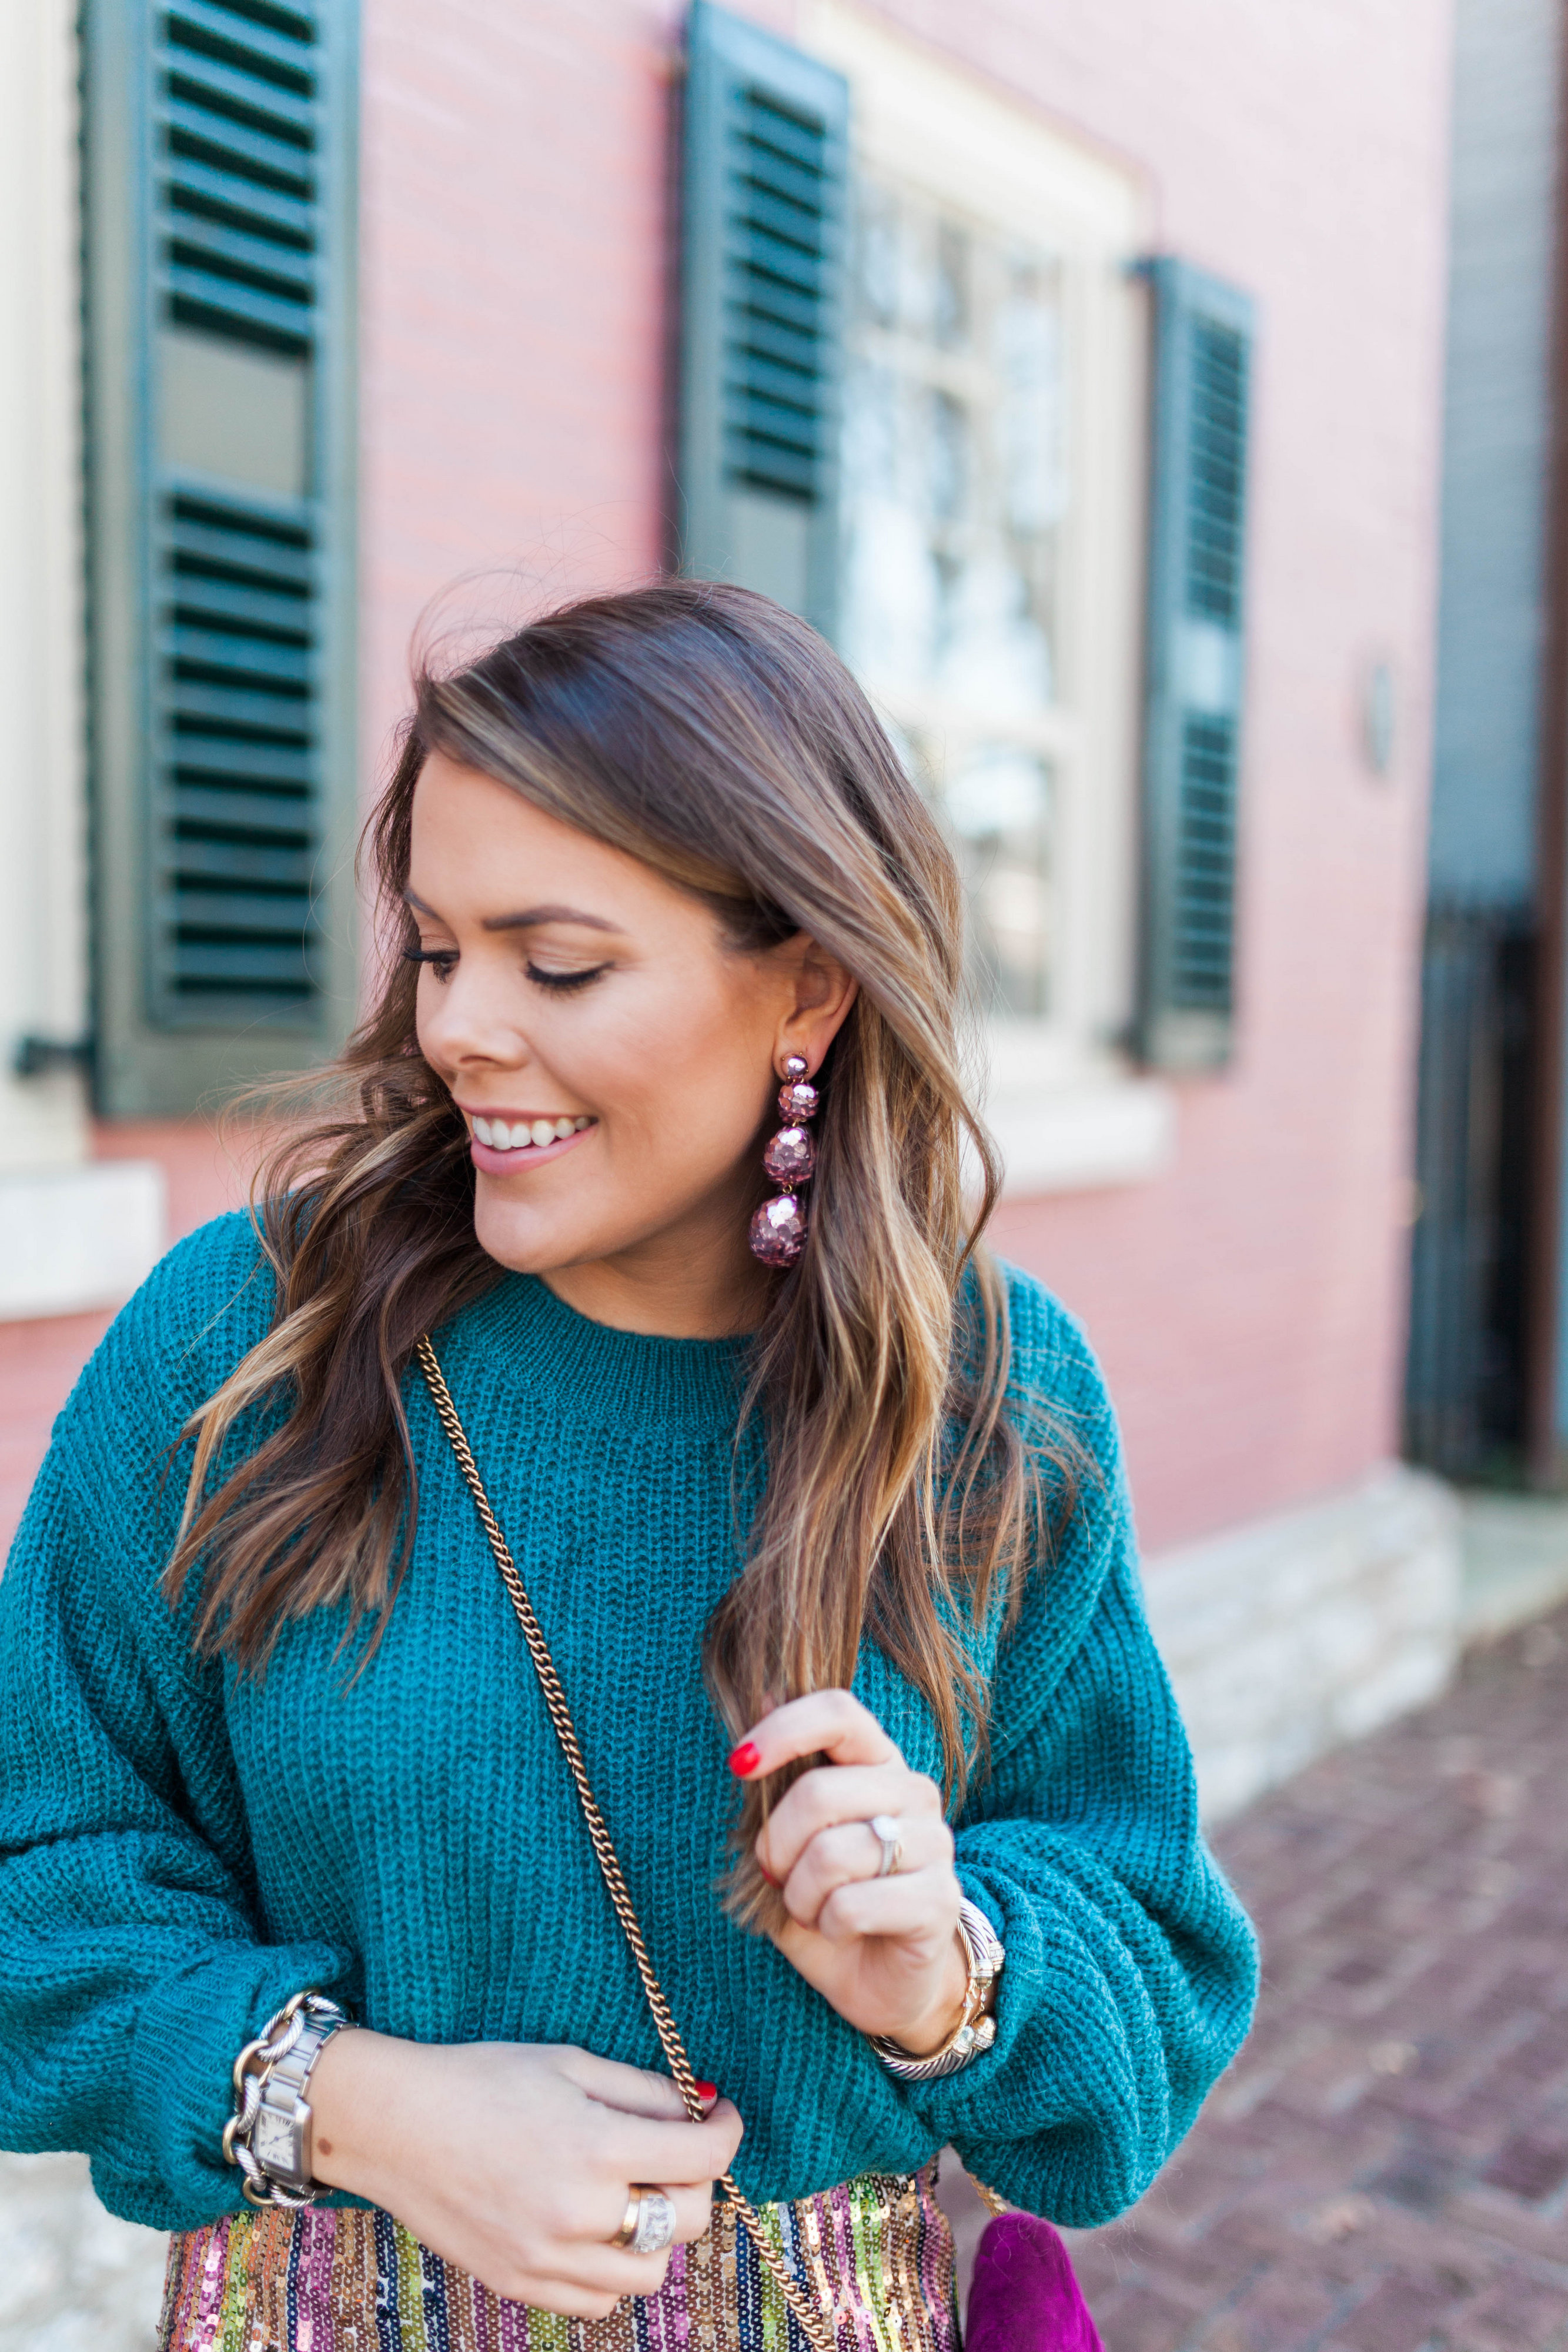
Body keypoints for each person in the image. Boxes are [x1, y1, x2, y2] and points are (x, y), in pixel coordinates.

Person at [0, 582, 1256, 2349]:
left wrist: (950, 1971)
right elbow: (32, 1886)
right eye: (438, 949)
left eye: (557, 962)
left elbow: (1140, 2006)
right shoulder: (243, 1347)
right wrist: (358, 2105)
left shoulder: (986, 1394)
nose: (458, 1028)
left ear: (807, 985)